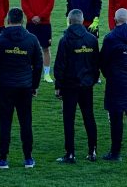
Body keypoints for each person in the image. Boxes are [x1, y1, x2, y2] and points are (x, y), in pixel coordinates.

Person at [0, 8, 43, 169]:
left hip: (6, 86)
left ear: (8, 20)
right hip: (25, 86)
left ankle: (3, 159)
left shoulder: (0, 39)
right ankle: (28, 158)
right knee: (26, 122)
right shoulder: (31, 39)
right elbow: (38, 64)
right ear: (23, 20)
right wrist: (34, 85)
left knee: (5, 123)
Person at [53, 9, 99, 164]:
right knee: (89, 117)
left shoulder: (65, 40)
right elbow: (95, 63)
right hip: (86, 85)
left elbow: (60, 65)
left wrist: (58, 85)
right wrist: (93, 79)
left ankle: (70, 153)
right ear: (82, 20)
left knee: (69, 119)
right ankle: (92, 150)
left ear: (69, 21)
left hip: (70, 85)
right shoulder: (92, 39)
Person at [99, 8, 127, 161]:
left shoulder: (111, 37)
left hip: (116, 82)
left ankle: (115, 152)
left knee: (116, 117)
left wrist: (109, 75)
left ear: (115, 19)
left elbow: (103, 61)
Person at [21, 0, 55, 84]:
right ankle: (30, 72)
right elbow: (24, 4)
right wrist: (32, 17)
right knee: (30, 48)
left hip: (44, 22)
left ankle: (46, 74)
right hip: (31, 23)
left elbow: (50, 4)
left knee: (45, 48)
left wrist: (40, 17)